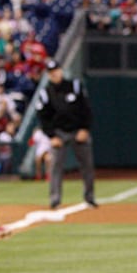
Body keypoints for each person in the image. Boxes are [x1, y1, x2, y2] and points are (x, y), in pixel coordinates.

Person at [36, 59, 97, 209]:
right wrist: (52, 136)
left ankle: (89, 197)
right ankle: (55, 200)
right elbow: (43, 117)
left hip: (78, 130)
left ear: (61, 70)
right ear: (48, 75)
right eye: (51, 72)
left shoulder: (75, 86)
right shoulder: (46, 93)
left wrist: (85, 128)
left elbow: (86, 109)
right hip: (59, 132)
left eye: (56, 70)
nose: (54, 74)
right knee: (55, 167)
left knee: (87, 165)